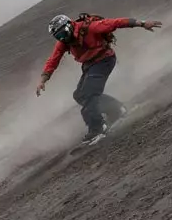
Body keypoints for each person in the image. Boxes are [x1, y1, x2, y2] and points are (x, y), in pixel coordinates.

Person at [35, 13, 162, 145]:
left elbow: (116, 22)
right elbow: (53, 60)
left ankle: (97, 128)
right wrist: (43, 79)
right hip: (89, 65)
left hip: (104, 60)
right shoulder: (64, 41)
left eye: (64, 32)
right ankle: (116, 109)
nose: (63, 37)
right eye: (58, 36)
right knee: (79, 95)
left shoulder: (91, 28)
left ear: (70, 25)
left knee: (90, 93)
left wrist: (142, 23)